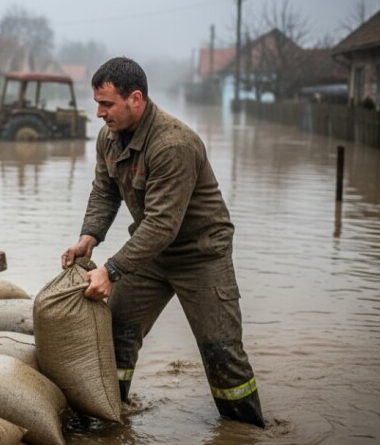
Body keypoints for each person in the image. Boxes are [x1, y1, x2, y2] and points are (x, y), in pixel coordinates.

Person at [61, 57, 265, 427]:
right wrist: (88, 237)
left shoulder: (173, 144)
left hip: (200, 256)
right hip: (149, 256)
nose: (98, 113)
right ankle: (108, 419)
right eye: (97, 103)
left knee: (222, 352)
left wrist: (111, 270)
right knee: (115, 334)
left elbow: (162, 224)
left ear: (135, 99)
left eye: (106, 104)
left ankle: (246, 430)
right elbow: (104, 191)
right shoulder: (108, 138)